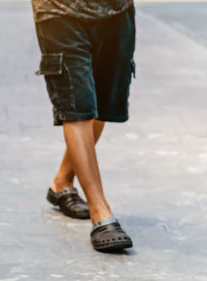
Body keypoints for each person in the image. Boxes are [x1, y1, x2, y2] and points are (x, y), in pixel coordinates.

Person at [32, 0, 136, 251]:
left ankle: (62, 183)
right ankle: (101, 213)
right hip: (59, 12)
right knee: (77, 105)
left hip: (117, 11)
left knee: (102, 106)